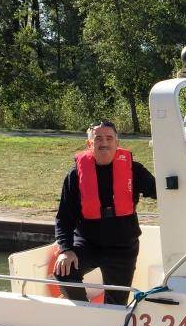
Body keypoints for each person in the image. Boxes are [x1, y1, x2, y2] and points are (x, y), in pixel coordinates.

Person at [53, 120, 157, 305]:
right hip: (88, 243)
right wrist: (66, 250)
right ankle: (85, 314)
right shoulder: (75, 175)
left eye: (109, 138)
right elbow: (64, 218)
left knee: (116, 305)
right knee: (64, 271)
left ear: (117, 142)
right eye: (98, 138)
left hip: (123, 247)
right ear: (90, 144)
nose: (104, 143)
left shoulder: (135, 170)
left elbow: (160, 191)